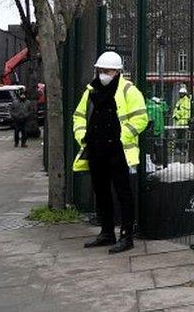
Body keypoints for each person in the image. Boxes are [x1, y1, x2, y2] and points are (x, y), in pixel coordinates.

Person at [72, 51, 148, 254]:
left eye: (107, 71)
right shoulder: (91, 91)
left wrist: (123, 138)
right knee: (101, 192)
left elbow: (141, 118)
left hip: (119, 152)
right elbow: (78, 116)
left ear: (117, 71)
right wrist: (82, 137)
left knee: (123, 193)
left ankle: (126, 236)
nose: (103, 74)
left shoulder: (129, 91)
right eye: (100, 70)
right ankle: (107, 233)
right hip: (96, 150)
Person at [173, 85, 191, 152]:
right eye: (180, 93)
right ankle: (180, 148)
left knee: (181, 136)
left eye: (182, 93)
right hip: (179, 122)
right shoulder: (181, 100)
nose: (180, 94)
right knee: (179, 136)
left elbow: (183, 111)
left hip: (183, 122)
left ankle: (182, 148)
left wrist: (176, 116)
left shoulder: (185, 101)